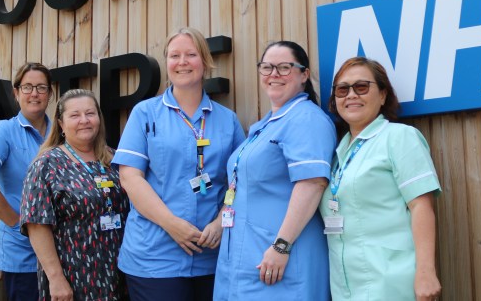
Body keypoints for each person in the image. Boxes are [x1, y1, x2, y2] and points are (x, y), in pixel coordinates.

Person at [113, 27, 245, 300]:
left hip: (211, 256)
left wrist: (221, 221)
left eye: (191, 54)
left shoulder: (227, 120)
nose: (182, 62)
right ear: (166, 63)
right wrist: (172, 224)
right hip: (155, 258)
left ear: (205, 63)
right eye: (174, 55)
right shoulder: (144, 113)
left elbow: (240, 181)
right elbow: (130, 178)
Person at [214, 40, 336, 300]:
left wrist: (281, 246)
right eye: (267, 68)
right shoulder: (264, 126)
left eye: (284, 67)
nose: (274, 75)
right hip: (246, 257)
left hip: (282, 257)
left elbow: (312, 184)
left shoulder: (306, 118)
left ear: (304, 74)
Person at [320, 57, 442, 301]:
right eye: (342, 90)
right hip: (345, 284)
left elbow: (421, 206)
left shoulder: (400, 137)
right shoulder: (337, 153)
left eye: (362, 87)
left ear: (383, 95)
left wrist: (426, 272)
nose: (351, 95)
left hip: (391, 279)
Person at [20, 89, 130, 300]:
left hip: (120, 272)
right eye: (75, 115)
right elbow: (36, 226)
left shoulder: (113, 159)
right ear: (61, 124)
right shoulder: (46, 165)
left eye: (90, 113)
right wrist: (56, 278)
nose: (84, 120)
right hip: (73, 275)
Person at [0, 63, 53, 301]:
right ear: (16, 93)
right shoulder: (5, 130)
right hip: (23, 253)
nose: (34, 93)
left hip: (62, 249)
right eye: (27, 87)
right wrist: (17, 223)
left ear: (49, 94)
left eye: (41, 87)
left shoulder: (60, 132)